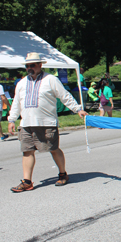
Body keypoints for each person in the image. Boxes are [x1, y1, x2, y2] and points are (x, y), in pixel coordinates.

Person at [7, 52, 88, 192]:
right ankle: (27, 181)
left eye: (32, 65)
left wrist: (78, 109)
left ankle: (63, 173)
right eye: (27, 66)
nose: (29, 68)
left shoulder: (50, 79)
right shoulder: (21, 83)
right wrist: (12, 119)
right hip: (26, 123)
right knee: (27, 151)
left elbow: (64, 96)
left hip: (46, 122)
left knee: (53, 148)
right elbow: (16, 103)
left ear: (40, 65)